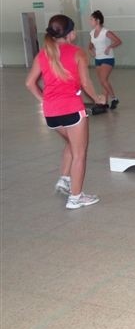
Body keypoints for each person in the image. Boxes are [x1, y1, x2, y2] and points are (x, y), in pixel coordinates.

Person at [25, 14, 106, 209]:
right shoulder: (78, 52)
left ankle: (64, 180)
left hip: (51, 114)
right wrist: (98, 98)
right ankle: (76, 198)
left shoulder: (43, 54)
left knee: (71, 142)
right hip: (72, 110)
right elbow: (85, 82)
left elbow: (29, 83)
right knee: (80, 153)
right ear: (70, 33)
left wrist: (45, 100)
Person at [88, 10, 122, 109]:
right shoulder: (92, 33)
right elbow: (90, 45)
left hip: (107, 59)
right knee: (103, 81)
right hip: (98, 59)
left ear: (98, 20)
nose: (90, 21)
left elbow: (118, 41)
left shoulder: (106, 32)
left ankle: (114, 99)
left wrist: (109, 47)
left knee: (103, 80)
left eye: (91, 19)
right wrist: (91, 50)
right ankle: (105, 102)